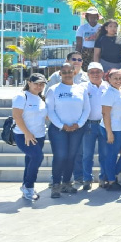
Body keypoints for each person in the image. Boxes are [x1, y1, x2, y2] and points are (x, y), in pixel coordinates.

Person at [46, 62, 91, 198]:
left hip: (77, 129)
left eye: (69, 71)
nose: (67, 74)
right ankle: (56, 184)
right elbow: (50, 111)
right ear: (60, 74)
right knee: (60, 156)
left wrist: (79, 124)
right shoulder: (53, 89)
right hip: (58, 130)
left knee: (72, 156)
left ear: (74, 72)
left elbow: (86, 109)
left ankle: (66, 183)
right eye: (64, 72)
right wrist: (62, 125)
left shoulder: (81, 89)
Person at [12, 73, 48, 201]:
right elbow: (17, 116)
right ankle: (29, 186)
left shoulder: (41, 99)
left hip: (40, 135)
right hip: (23, 135)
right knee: (38, 156)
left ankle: (25, 187)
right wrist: (27, 133)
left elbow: (46, 116)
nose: (39, 86)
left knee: (30, 160)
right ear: (29, 83)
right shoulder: (21, 97)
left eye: (42, 84)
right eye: (36, 83)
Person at [74, 62, 108, 190]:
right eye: (92, 72)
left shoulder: (107, 86)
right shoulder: (82, 87)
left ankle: (103, 178)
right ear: (88, 74)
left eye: (98, 72)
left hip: (104, 124)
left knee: (104, 154)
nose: (95, 74)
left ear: (102, 73)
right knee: (87, 154)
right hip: (89, 125)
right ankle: (87, 179)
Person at [100, 69, 121, 192]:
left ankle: (110, 174)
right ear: (109, 79)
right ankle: (111, 182)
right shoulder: (108, 93)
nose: (118, 81)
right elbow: (105, 114)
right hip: (113, 128)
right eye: (115, 78)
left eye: (120, 78)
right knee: (112, 154)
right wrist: (109, 132)